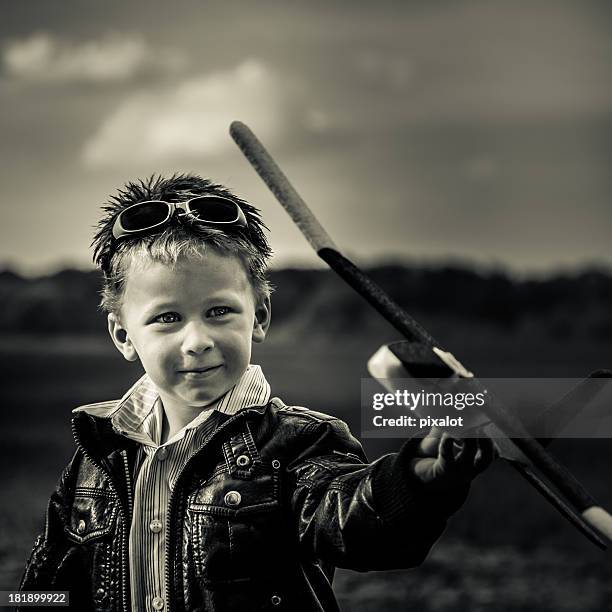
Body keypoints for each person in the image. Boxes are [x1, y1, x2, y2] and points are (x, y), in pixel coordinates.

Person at [19, 174, 493, 611]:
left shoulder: (295, 443)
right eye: (167, 318)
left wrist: (420, 479)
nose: (197, 340)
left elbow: (358, 526)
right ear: (123, 335)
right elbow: (47, 585)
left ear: (260, 316)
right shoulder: (97, 457)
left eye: (219, 311)